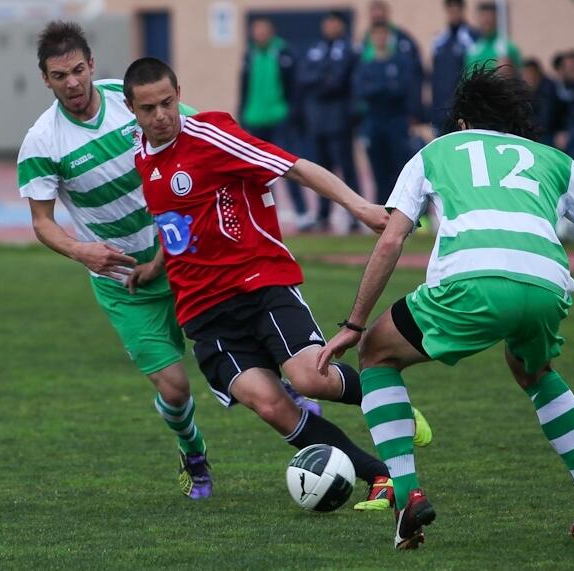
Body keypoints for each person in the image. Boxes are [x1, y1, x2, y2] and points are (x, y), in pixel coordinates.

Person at [317, 66, 574, 550]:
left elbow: (393, 238)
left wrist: (354, 323)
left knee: (376, 353)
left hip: (470, 283)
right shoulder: (554, 159)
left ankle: (406, 492)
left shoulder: (435, 152)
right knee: (532, 368)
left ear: (461, 121)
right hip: (545, 286)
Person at [122, 57, 433, 511]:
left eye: (168, 103)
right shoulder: (142, 156)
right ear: (133, 110)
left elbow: (296, 167)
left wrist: (361, 207)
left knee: (310, 379)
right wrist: (156, 264)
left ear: (178, 94)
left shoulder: (210, 135)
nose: (161, 116)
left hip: (258, 282)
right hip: (202, 312)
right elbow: (180, 223)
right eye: (148, 109)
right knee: (270, 405)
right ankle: (378, 476)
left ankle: (389, 403)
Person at [16, 22, 214, 498]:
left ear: (91, 65)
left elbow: (197, 130)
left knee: (237, 350)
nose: (73, 83)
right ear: (45, 79)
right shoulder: (42, 141)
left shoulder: (130, 102)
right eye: (60, 75)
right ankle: (193, 454)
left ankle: (294, 394)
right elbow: (43, 222)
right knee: (175, 389)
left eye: (79, 70)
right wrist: (80, 249)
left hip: (181, 255)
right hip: (122, 280)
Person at [239, 17, 314, 231]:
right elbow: (244, 87)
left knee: (287, 165)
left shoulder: (284, 53)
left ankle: (301, 213)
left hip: (280, 118)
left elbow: (295, 87)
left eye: (263, 31)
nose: (259, 35)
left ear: (271, 32)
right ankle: (265, 213)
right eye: (256, 31)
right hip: (255, 119)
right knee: (259, 171)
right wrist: (243, 114)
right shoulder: (249, 54)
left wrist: (292, 113)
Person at [299, 11, 361, 231]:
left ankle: (356, 214)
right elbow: (304, 78)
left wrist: (323, 81)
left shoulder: (349, 51)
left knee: (346, 168)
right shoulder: (315, 50)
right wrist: (323, 79)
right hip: (318, 121)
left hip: (339, 120)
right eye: (327, 23)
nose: (329, 27)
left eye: (334, 23)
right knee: (321, 169)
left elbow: (339, 80)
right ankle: (323, 214)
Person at [354, 22, 413, 205]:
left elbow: (403, 90)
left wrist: (378, 89)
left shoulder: (400, 62)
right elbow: (362, 92)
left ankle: (409, 212)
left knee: (401, 170)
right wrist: (386, 86)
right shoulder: (366, 66)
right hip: (374, 124)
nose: (380, 38)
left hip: (396, 122)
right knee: (379, 171)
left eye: (383, 34)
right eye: (377, 34)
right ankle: (381, 211)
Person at [362, 0, 424, 124]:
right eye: (375, 17)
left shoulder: (402, 40)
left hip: (397, 111)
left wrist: (414, 109)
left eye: (381, 17)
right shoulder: (364, 42)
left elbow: (413, 76)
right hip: (372, 112)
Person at [431, 0, 479, 133]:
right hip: (442, 109)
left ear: (462, 10)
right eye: (451, 10)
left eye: (457, 10)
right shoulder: (439, 40)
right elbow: (435, 77)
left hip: (464, 107)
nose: (454, 14)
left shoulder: (473, 37)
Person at [464, 1, 521, 73]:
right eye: (483, 16)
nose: (487, 20)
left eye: (490, 16)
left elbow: (521, 77)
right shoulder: (473, 51)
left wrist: (510, 70)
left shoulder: (509, 48)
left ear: (496, 18)